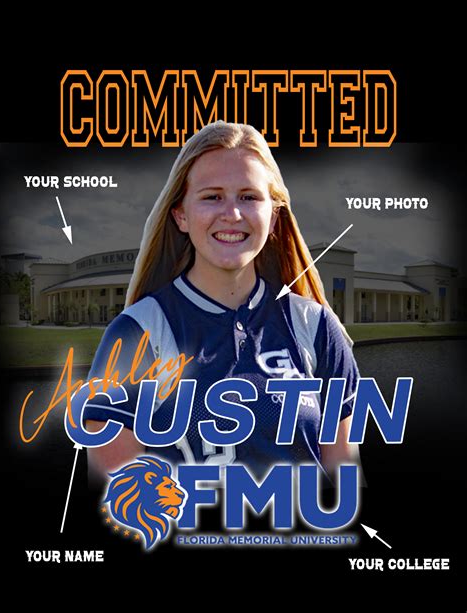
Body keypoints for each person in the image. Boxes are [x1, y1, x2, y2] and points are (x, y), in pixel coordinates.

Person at [84, 120, 362, 486]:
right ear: (181, 215)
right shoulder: (139, 331)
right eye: (212, 196)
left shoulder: (316, 327)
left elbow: (344, 482)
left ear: (274, 217)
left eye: (249, 196)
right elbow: (117, 498)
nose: (232, 214)